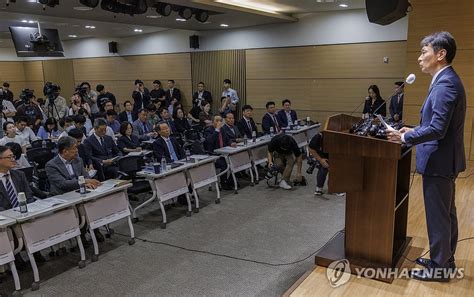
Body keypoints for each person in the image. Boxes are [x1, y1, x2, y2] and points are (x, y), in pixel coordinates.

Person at [387, 32, 465, 282]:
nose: (420, 58)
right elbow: (434, 124)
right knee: (446, 213)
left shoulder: (446, 84)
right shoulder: (444, 80)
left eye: (424, 52)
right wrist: (413, 130)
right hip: (442, 159)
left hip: (439, 161)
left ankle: (439, 269)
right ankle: (444, 259)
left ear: (440, 54)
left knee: (439, 216)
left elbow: (438, 129)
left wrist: (404, 138)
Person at [204, 116, 235, 190]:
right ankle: (223, 182)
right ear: (212, 122)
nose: (219, 122)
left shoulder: (223, 129)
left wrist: (231, 143)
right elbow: (209, 141)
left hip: (224, 153)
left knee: (234, 160)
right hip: (214, 155)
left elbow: (227, 139)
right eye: (217, 120)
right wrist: (217, 130)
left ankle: (230, 181)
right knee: (224, 163)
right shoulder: (208, 130)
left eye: (220, 121)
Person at [0, 145, 34, 211]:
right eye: (9, 157)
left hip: (25, 213)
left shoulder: (19, 175)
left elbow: (29, 196)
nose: (13, 160)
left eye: (13, 156)